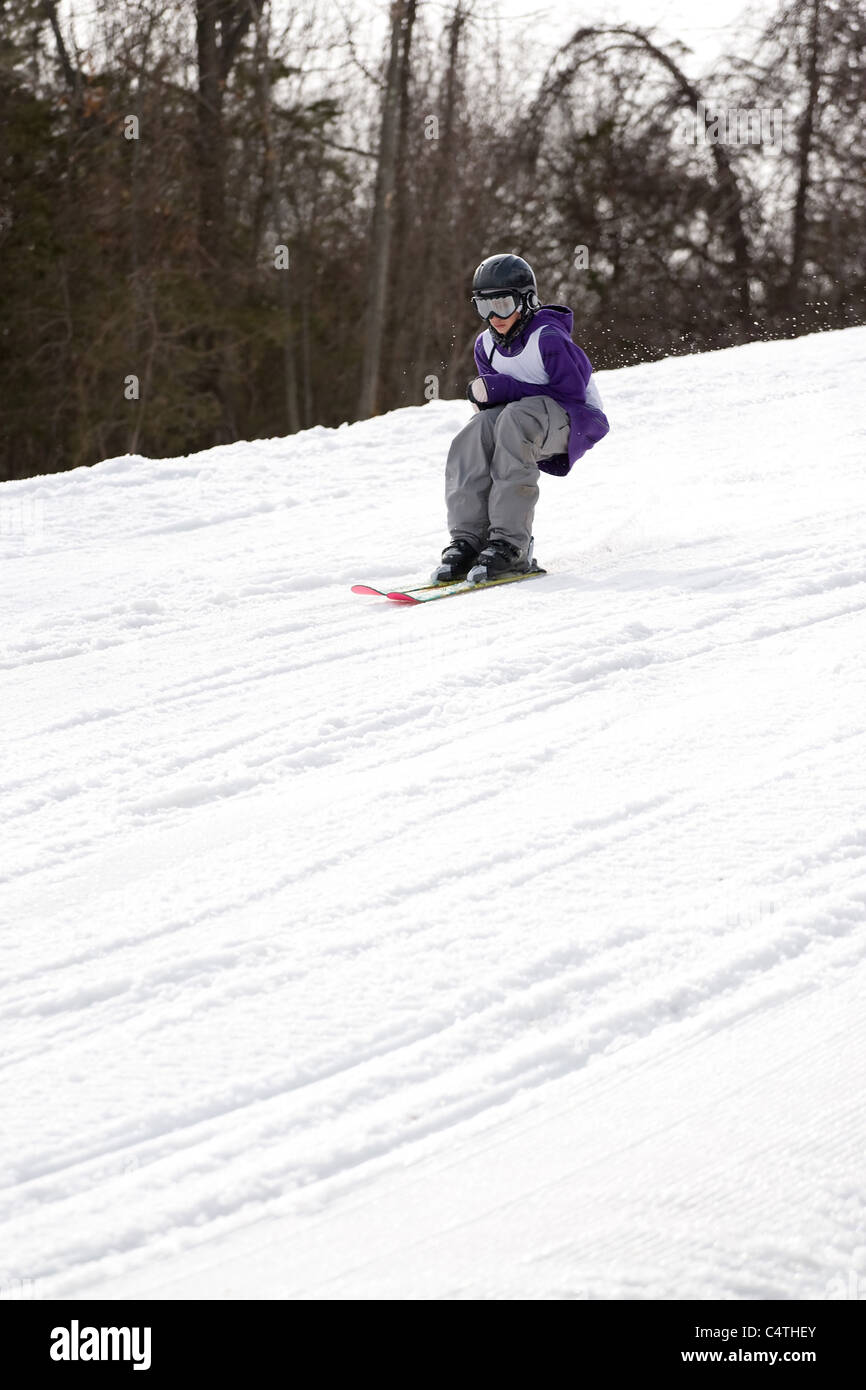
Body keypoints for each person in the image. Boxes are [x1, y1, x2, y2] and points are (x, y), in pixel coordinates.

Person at [435, 252, 610, 583]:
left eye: (502, 305)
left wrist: (502, 387)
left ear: (526, 300)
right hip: (528, 420)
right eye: (483, 307)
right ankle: (469, 540)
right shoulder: (485, 345)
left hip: (577, 420)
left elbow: (570, 395)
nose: (494, 316)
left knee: (516, 420)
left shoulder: (549, 338)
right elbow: (497, 410)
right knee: (475, 432)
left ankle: (511, 546)